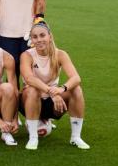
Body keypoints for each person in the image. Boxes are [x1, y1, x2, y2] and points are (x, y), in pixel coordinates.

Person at [20, 22, 90, 150]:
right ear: (32, 39)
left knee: (76, 90)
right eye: (35, 37)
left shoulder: (60, 54)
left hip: (52, 100)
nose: (39, 39)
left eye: (42, 35)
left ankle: (75, 137)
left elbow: (76, 78)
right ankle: (33, 137)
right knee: (32, 91)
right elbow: (29, 79)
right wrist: (53, 92)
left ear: (50, 36)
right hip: (30, 100)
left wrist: (61, 89)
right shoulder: (27, 55)